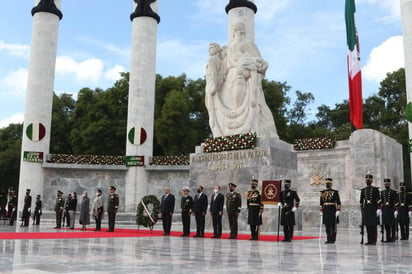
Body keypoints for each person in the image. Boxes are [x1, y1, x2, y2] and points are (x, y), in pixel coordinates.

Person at [205, 21, 278, 138]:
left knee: (259, 104)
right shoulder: (229, 48)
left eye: (237, 29)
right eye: (234, 29)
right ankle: (231, 127)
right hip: (229, 78)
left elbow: (261, 62)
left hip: (244, 76)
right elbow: (222, 66)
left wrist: (251, 64)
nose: (235, 32)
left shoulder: (248, 43)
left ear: (241, 31)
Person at [359, 174, 381, 245]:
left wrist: (379, 208)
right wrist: (362, 209)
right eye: (367, 180)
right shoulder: (363, 190)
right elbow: (361, 201)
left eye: (369, 180)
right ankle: (369, 240)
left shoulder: (375, 189)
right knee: (368, 225)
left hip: (373, 209)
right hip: (367, 209)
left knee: (373, 225)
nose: (368, 181)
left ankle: (373, 240)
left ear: (372, 181)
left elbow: (379, 200)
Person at [320, 178, 341, 244]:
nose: (327, 184)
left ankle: (333, 239)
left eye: (328, 183)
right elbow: (321, 202)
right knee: (327, 226)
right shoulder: (323, 192)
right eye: (326, 183)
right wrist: (321, 210)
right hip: (326, 209)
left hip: (332, 209)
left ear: (331, 184)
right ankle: (328, 239)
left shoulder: (335, 192)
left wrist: (338, 210)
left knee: (333, 225)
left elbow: (338, 202)